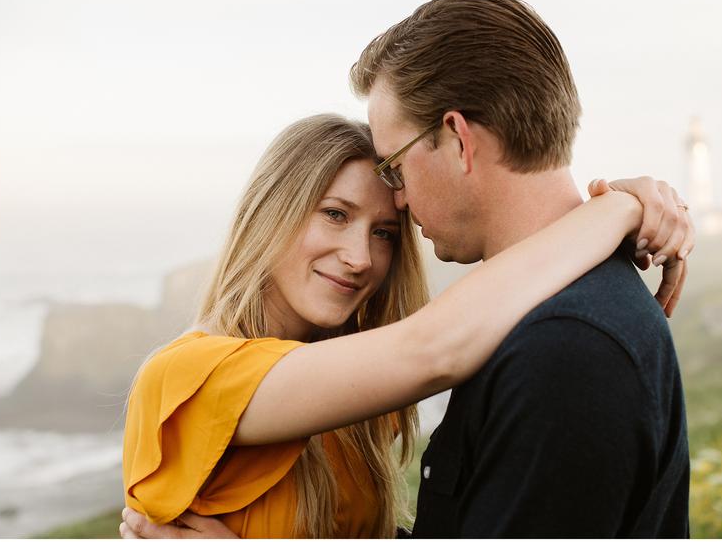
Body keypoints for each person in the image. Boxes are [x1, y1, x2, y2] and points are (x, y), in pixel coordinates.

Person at [118, 110, 691, 537]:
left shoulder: (355, 398)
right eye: (335, 214)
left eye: (384, 233)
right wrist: (616, 208)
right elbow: (434, 348)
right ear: (272, 210)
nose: (360, 257)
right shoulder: (186, 377)